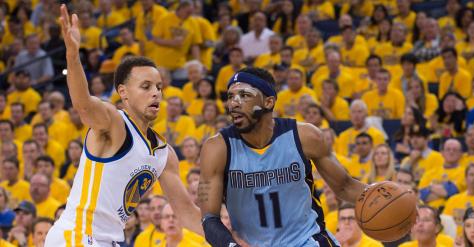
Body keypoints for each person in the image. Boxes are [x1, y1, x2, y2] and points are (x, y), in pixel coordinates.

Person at [45, 5, 202, 246]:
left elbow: (188, 213)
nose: (156, 93)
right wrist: (73, 56)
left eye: (159, 87)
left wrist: (234, 240)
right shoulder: (113, 122)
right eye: (146, 86)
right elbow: (83, 104)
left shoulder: (163, 154)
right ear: (124, 93)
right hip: (76, 235)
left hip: (110, 241)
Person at [198, 67, 367, 246]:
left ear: (269, 102)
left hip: (308, 241)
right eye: (230, 97)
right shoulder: (217, 148)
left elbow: (345, 187)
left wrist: (382, 194)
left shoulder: (305, 136)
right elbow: (209, 219)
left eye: (244, 95)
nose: (234, 103)